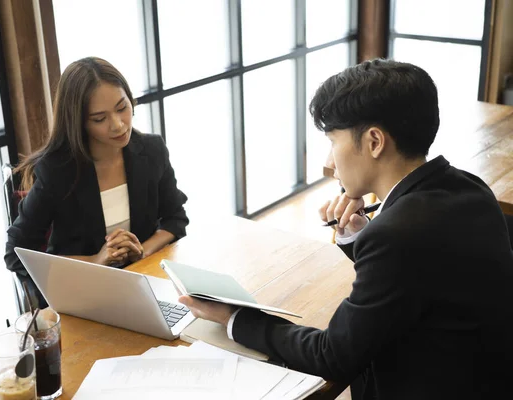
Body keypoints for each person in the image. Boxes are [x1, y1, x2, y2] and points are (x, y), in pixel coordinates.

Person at [179, 59, 513, 399]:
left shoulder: (397, 234)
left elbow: (332, 356)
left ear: (374, 142)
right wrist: (359, 232)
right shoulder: (469, 188)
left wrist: (235, 319)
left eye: (332, 140)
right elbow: (418, 276)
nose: (328, 161)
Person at [5, 57, 189, 292]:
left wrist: (142, 250)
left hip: (143, 281)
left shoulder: (152, 151)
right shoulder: (57, 171)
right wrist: (95, 261)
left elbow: (175, 219)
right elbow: (17, 254)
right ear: (78, 123)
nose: (118, 125)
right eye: (99, 119)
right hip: (83, 290)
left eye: (122, 108)